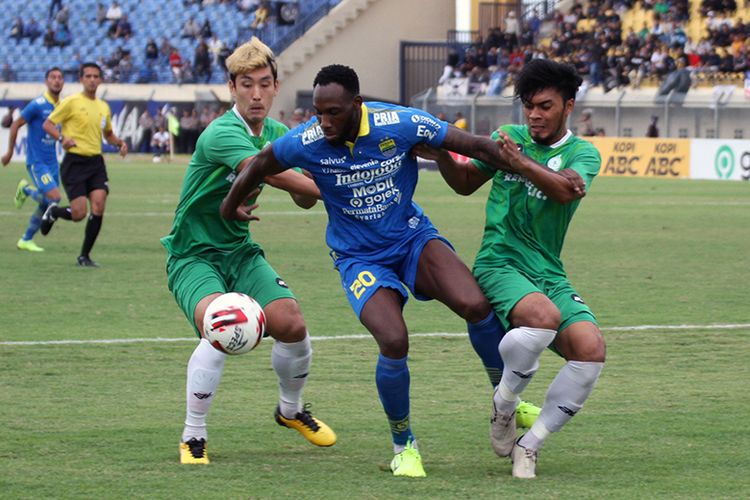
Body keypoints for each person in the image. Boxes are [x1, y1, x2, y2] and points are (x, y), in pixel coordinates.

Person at [221, 64, 537, 478]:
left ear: (357, 105)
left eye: (333, 112)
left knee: (476, 304)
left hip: (411, 238)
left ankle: (504, 398)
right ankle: (403, 444)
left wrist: (531, 167)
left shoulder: (400, 123)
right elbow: (260, 164)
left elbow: (472, 144)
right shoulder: (309, 140)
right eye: (318, 112)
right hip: (358, 258)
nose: (324, 122)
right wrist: (230, 206)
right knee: (393, 339)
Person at [416, 59, 605, 479]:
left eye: (545, 106)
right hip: (499, 261)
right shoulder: (508, 139)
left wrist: (518, 164)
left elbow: (565, 191)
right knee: (543, 318)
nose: (534, 114)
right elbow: (464, 183)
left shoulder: (582, 153)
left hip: (548, 271)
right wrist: (444, 156)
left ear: (568, 106)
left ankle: (529, 443)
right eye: (528, 106)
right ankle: (504, 406)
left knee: (590, 349)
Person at [160, 37, 335, 465]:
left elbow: (303, 198)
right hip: (193, 255)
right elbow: (268, 175)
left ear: (276, 86)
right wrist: (332, 190)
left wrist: (313, 178)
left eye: (263, 84)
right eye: (245, 85)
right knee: (221, 325)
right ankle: (193, 435)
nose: (255, 94)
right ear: (231, 88)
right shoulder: (223, 132)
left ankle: (290, 410)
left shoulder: (280, 134)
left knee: (292, 323)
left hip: (239, 252)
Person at [40, 62, 128, 267]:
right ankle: (54, 212)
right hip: (75, 162)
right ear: (81, 79)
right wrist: (62, 138)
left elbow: (108, 134)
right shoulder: (71, 102)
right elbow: (48, 124)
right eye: (88, 76)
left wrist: (120, 143)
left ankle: (84, 256)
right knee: (79, 213)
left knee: (98, 205)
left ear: (101, 80)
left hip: (96, 162)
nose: (92, 80)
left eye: (96, 76)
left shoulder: (103, 107)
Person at [1, 67, 65, 252]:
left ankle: (26, 239)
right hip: (37, 162)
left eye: (60, 78)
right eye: (53, 77)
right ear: (46, 82)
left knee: (47, 203)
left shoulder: (62, 106)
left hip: (52, 162)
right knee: (54, 198)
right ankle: (26, 189)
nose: (57, 81)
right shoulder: (37, 104)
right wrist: (10, 152)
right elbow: (15, 124)